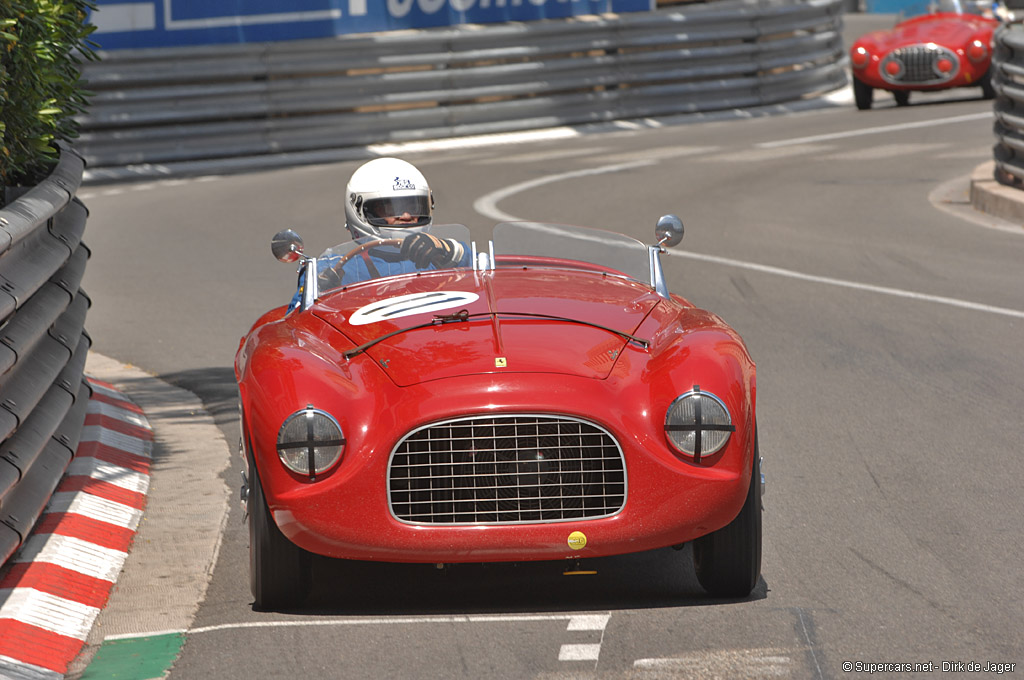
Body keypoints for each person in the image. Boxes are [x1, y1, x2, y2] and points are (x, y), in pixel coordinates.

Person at [288, 158, 470, 311]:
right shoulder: (334, 270)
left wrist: (452, 252)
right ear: (360, 211)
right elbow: (299, 324)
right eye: (391, 209)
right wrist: (320, 290)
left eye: (413, 207)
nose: (406, 216)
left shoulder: (440, 256)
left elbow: (491, 278)